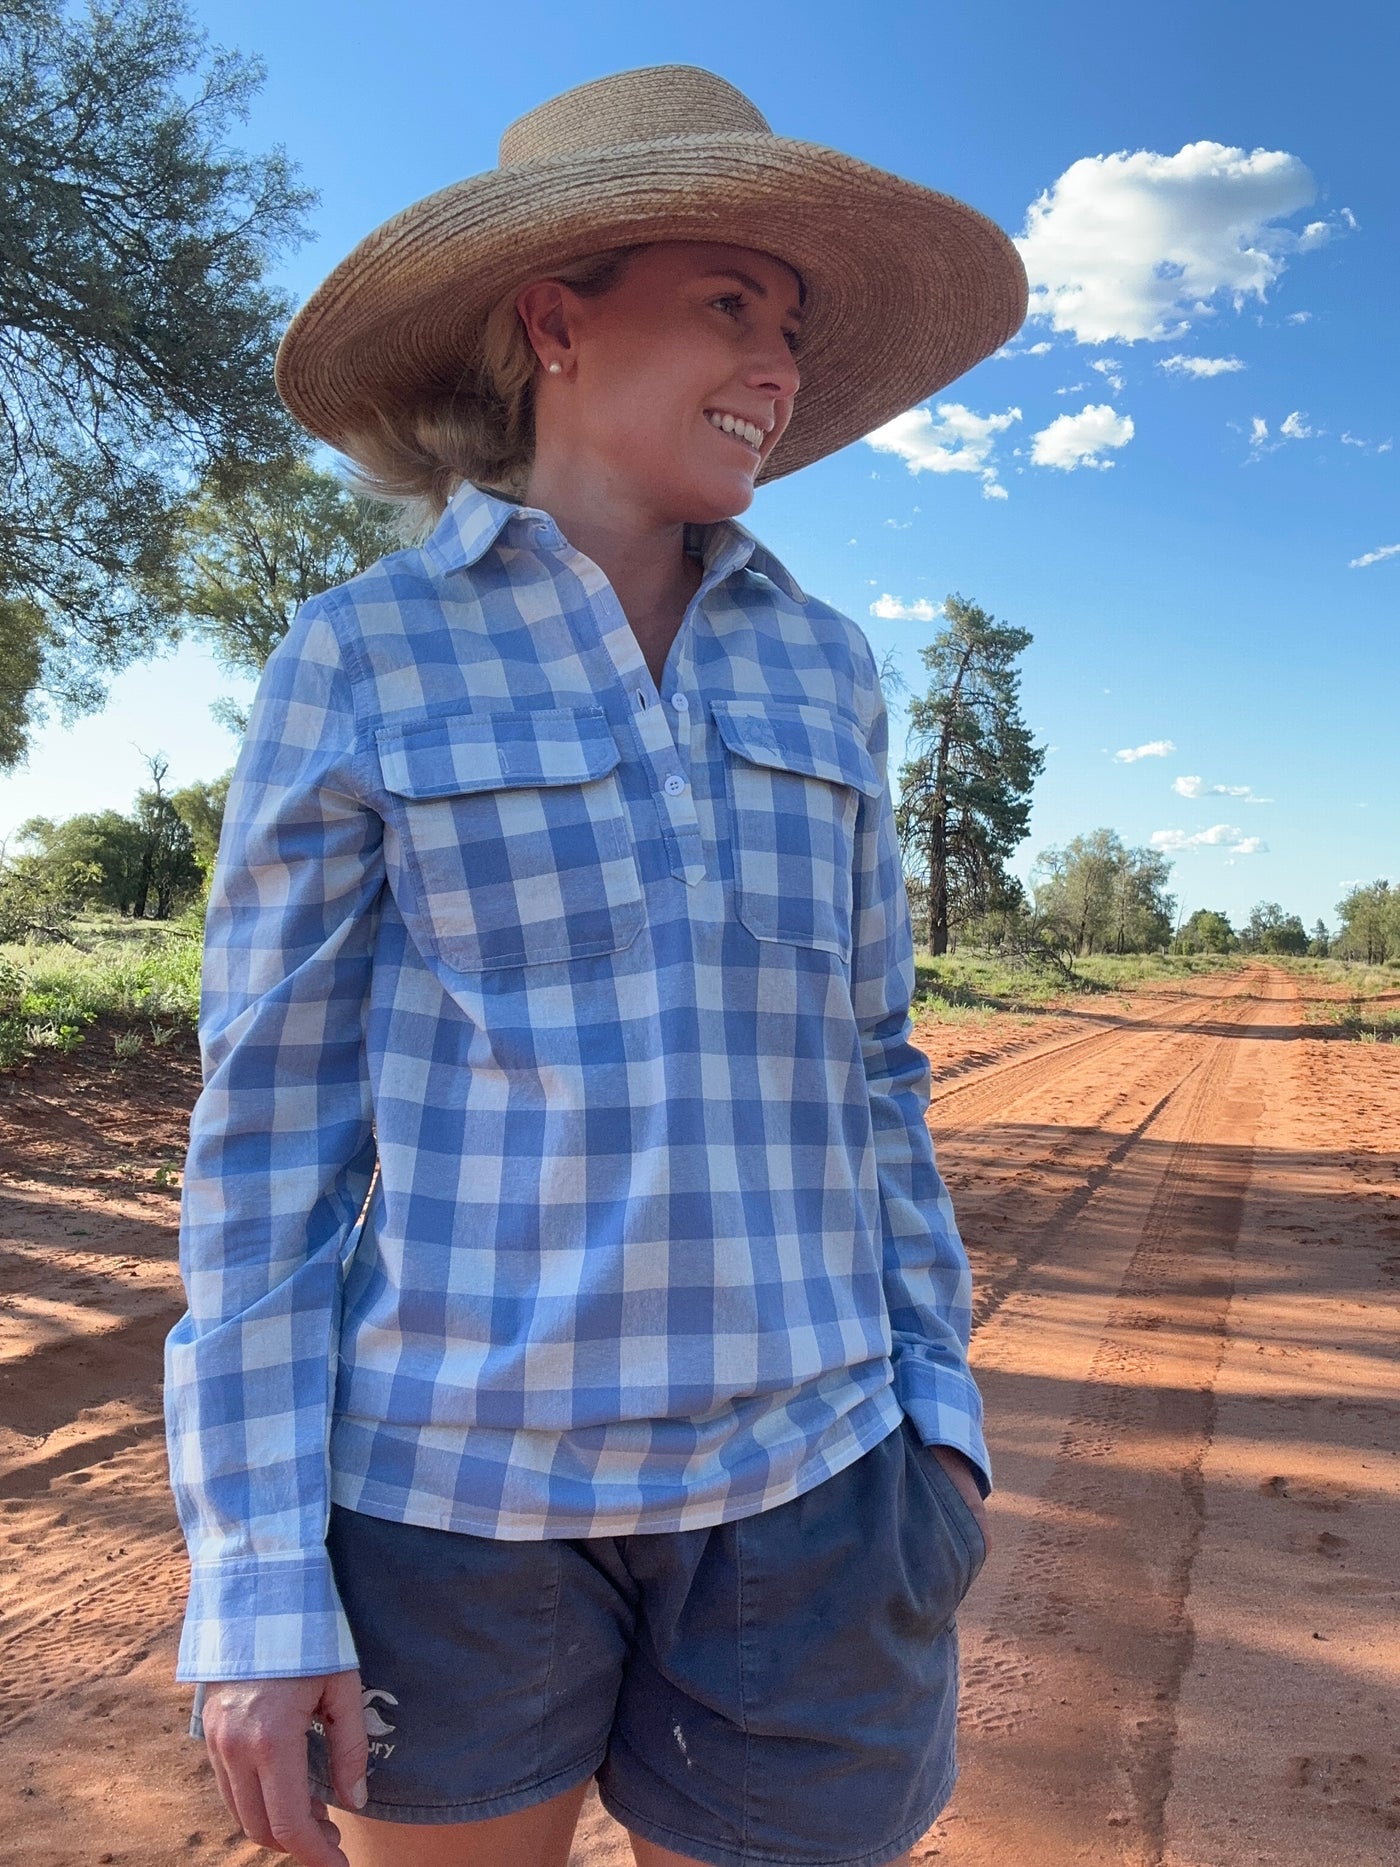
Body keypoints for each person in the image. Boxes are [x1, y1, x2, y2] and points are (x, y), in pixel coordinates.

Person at [164, 62, 1027, 1867]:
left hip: (818, 1496)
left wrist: (938, 1424)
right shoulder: (363, 659)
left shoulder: (829, 669)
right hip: (454, 1517)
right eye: (733, 303)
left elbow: (877, 1063)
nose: (780, 366)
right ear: (555, 318)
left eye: (791, 326)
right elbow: (268, 1139)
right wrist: (253, 1575)